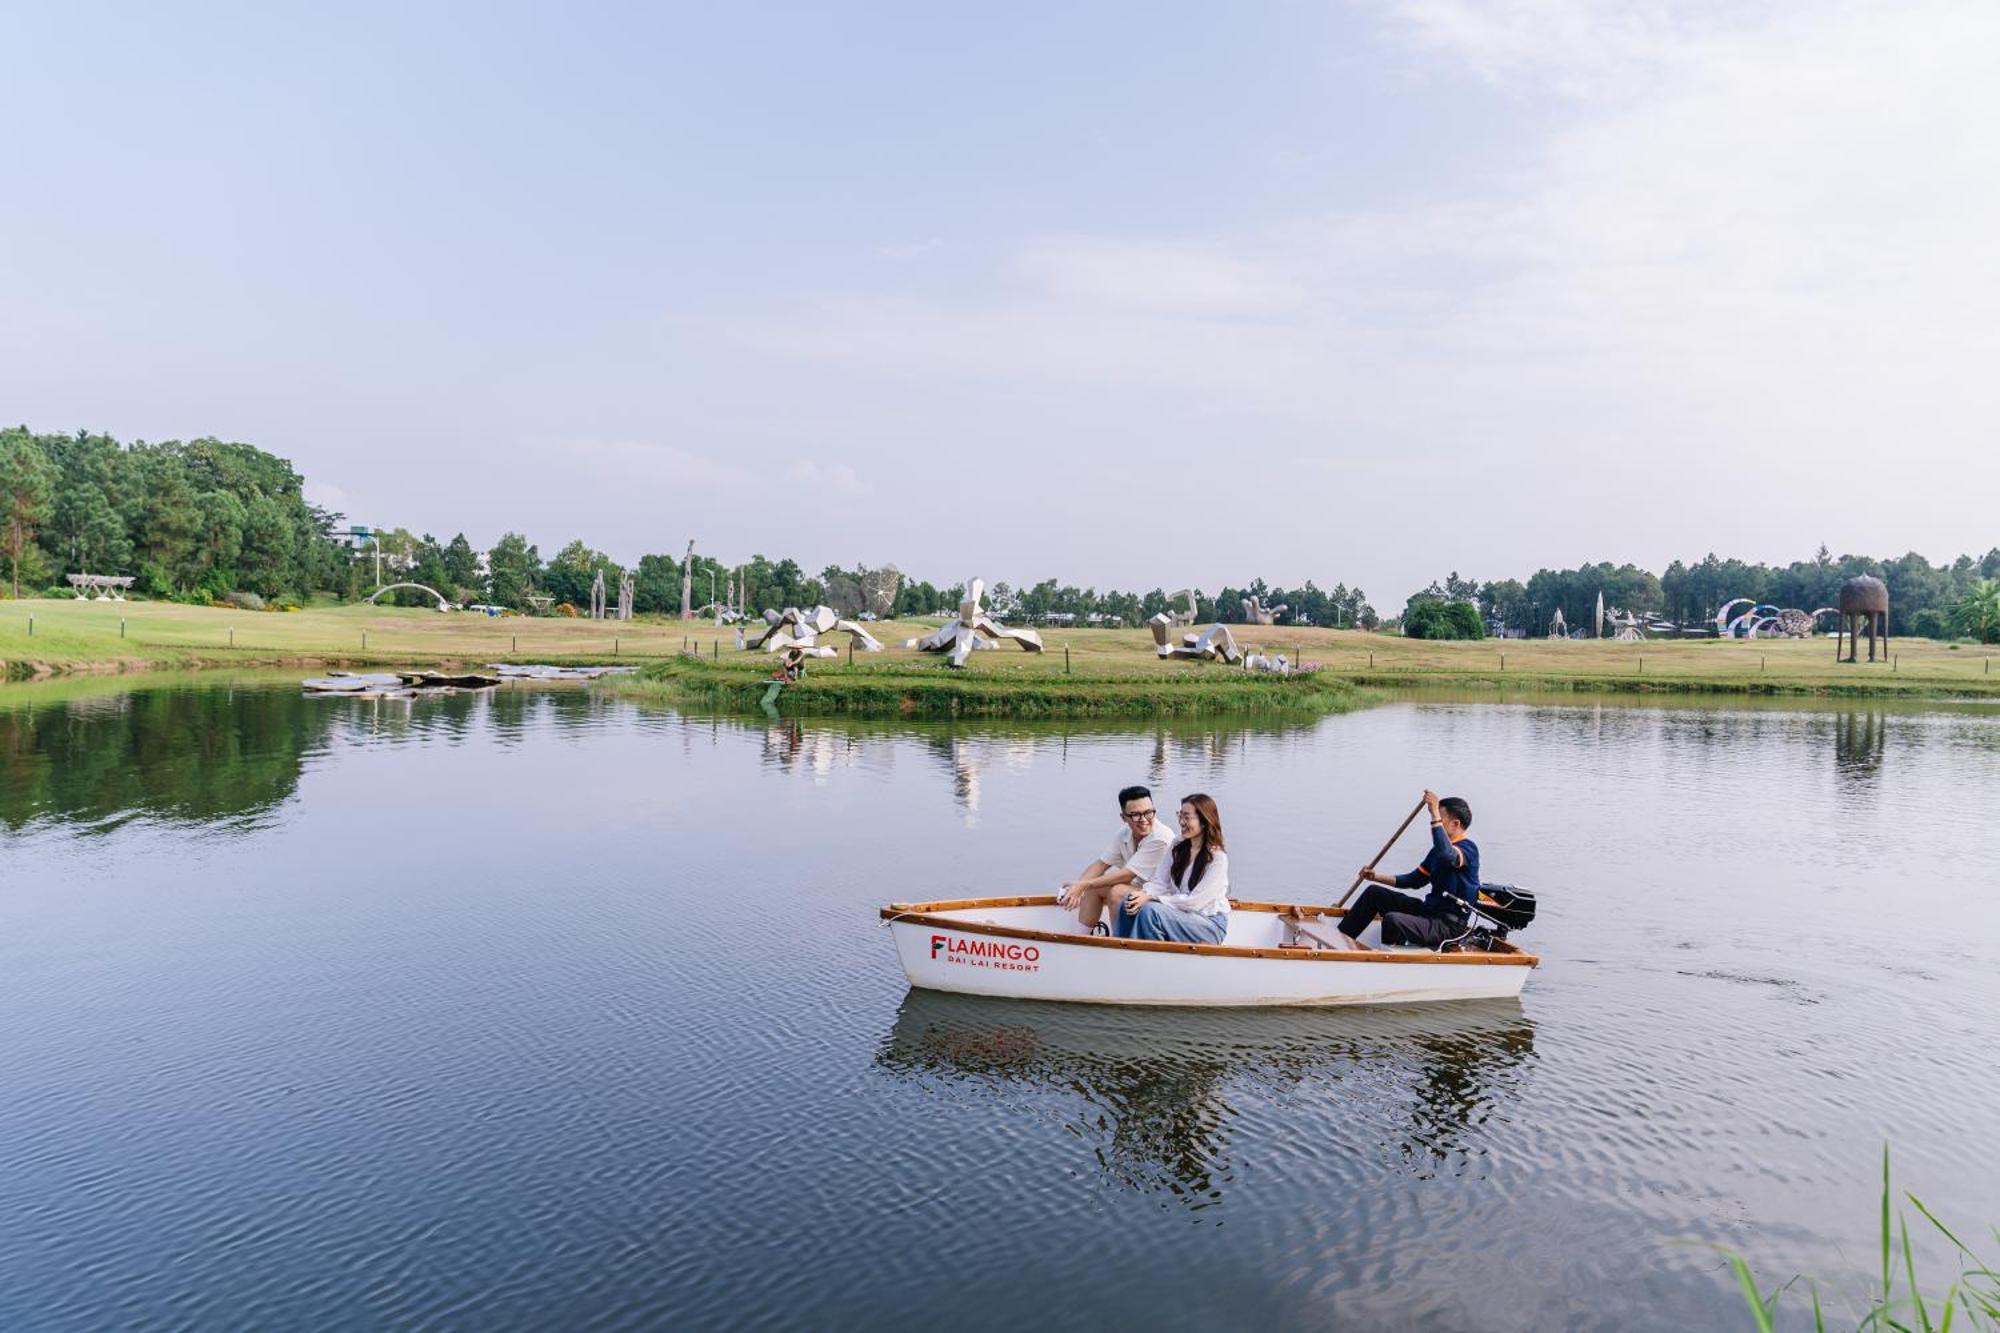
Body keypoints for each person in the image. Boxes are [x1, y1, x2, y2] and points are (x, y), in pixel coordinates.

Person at [1335, 790, 1479, 949]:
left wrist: (1434, 812)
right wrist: (1376, 877)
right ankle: (1337, 944)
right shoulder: (1437, 851)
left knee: (1393, 920)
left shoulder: (1469, 849)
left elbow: (1448, 855)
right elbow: (1414, 880)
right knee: (1374, 893)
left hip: (1448, 926)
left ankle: (1387, 961)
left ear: (1455, 824)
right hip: (1428, 912)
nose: (1434, 822)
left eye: (1440, 818)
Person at [1109, 793, 1231, 945]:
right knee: (1129, 901)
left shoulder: (1217, 858)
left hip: (1208, 924)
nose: (1181, 822)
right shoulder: (1178, 845)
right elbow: (1159, 882)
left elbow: (1194, 903)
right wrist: (1142, 894)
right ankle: (1121, 949)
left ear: (1204, 821)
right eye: (1180, 815)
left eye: (1187, 817)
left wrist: (1152, 898)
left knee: (1150, 912)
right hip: (1180, 915)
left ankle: (1149, 959)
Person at [1057, 786, 1173, 934]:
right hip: (1140, 891)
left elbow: (1127, 874)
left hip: (1163, 898)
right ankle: (1079, 937)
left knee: (1117, 891)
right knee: (1094, 888)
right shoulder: (1124, 834)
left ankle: (1118, 942)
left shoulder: (1161, 838)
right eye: (1135, 815)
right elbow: (1101, 864)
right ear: (1123, 817)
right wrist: (1077, 888)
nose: (1144, 820)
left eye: (1148, 813)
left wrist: (1082, 885)